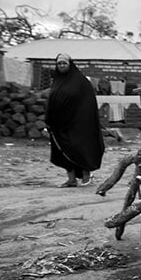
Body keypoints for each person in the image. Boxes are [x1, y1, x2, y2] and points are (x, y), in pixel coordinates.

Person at [45, 53, 105, 187]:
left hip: (79, 123)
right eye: (59, 64)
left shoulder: (81, 81)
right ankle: (71, 179)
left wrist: (82, 118)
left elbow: (88, 102)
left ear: (70, 64)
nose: (61, 66)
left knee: (80, 148)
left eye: (64, 63)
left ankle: (85, 176)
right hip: (60, 123)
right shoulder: (57, 81)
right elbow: (52, 100)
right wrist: (49, 118)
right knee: (63, 150)